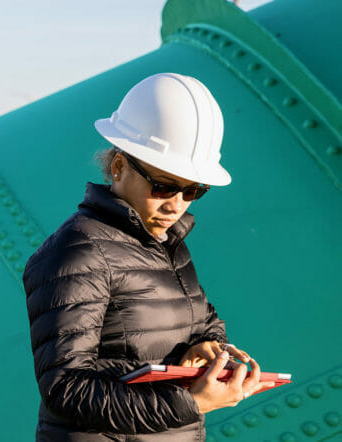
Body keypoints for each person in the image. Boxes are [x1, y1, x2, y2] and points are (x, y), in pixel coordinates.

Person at [22, 73, 275, 441]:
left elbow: (203, 321)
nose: (176, 205)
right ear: (119, 167)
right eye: (163, 186)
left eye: (193, 190)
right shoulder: (77, 252)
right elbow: (66, 389)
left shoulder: (167, 243)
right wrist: (193, 404)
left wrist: (207, 347)